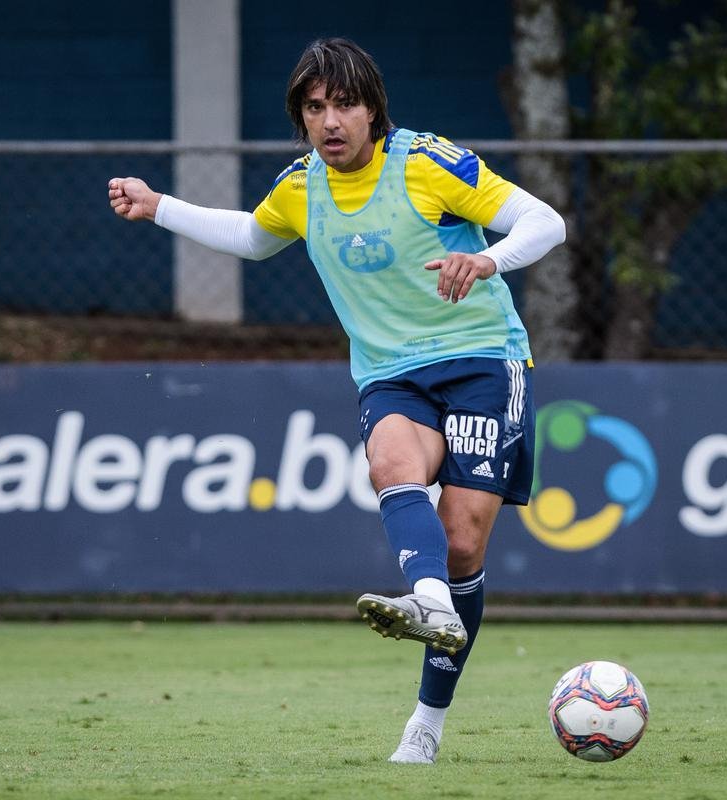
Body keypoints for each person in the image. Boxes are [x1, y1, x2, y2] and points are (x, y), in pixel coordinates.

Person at [109, 37, 565, 764]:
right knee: (391, 465)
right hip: (391, 373)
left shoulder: (426, 164)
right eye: (315, 107)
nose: (330, 121)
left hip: (483, 359)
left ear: (373, 109)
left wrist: (486, 258)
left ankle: (428, 718)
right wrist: (158, 205)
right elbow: (252, 237)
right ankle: (431, 602)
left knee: (462, 542)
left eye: (345, 104)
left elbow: (546, 222)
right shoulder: (302, 187)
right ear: (301, 117)